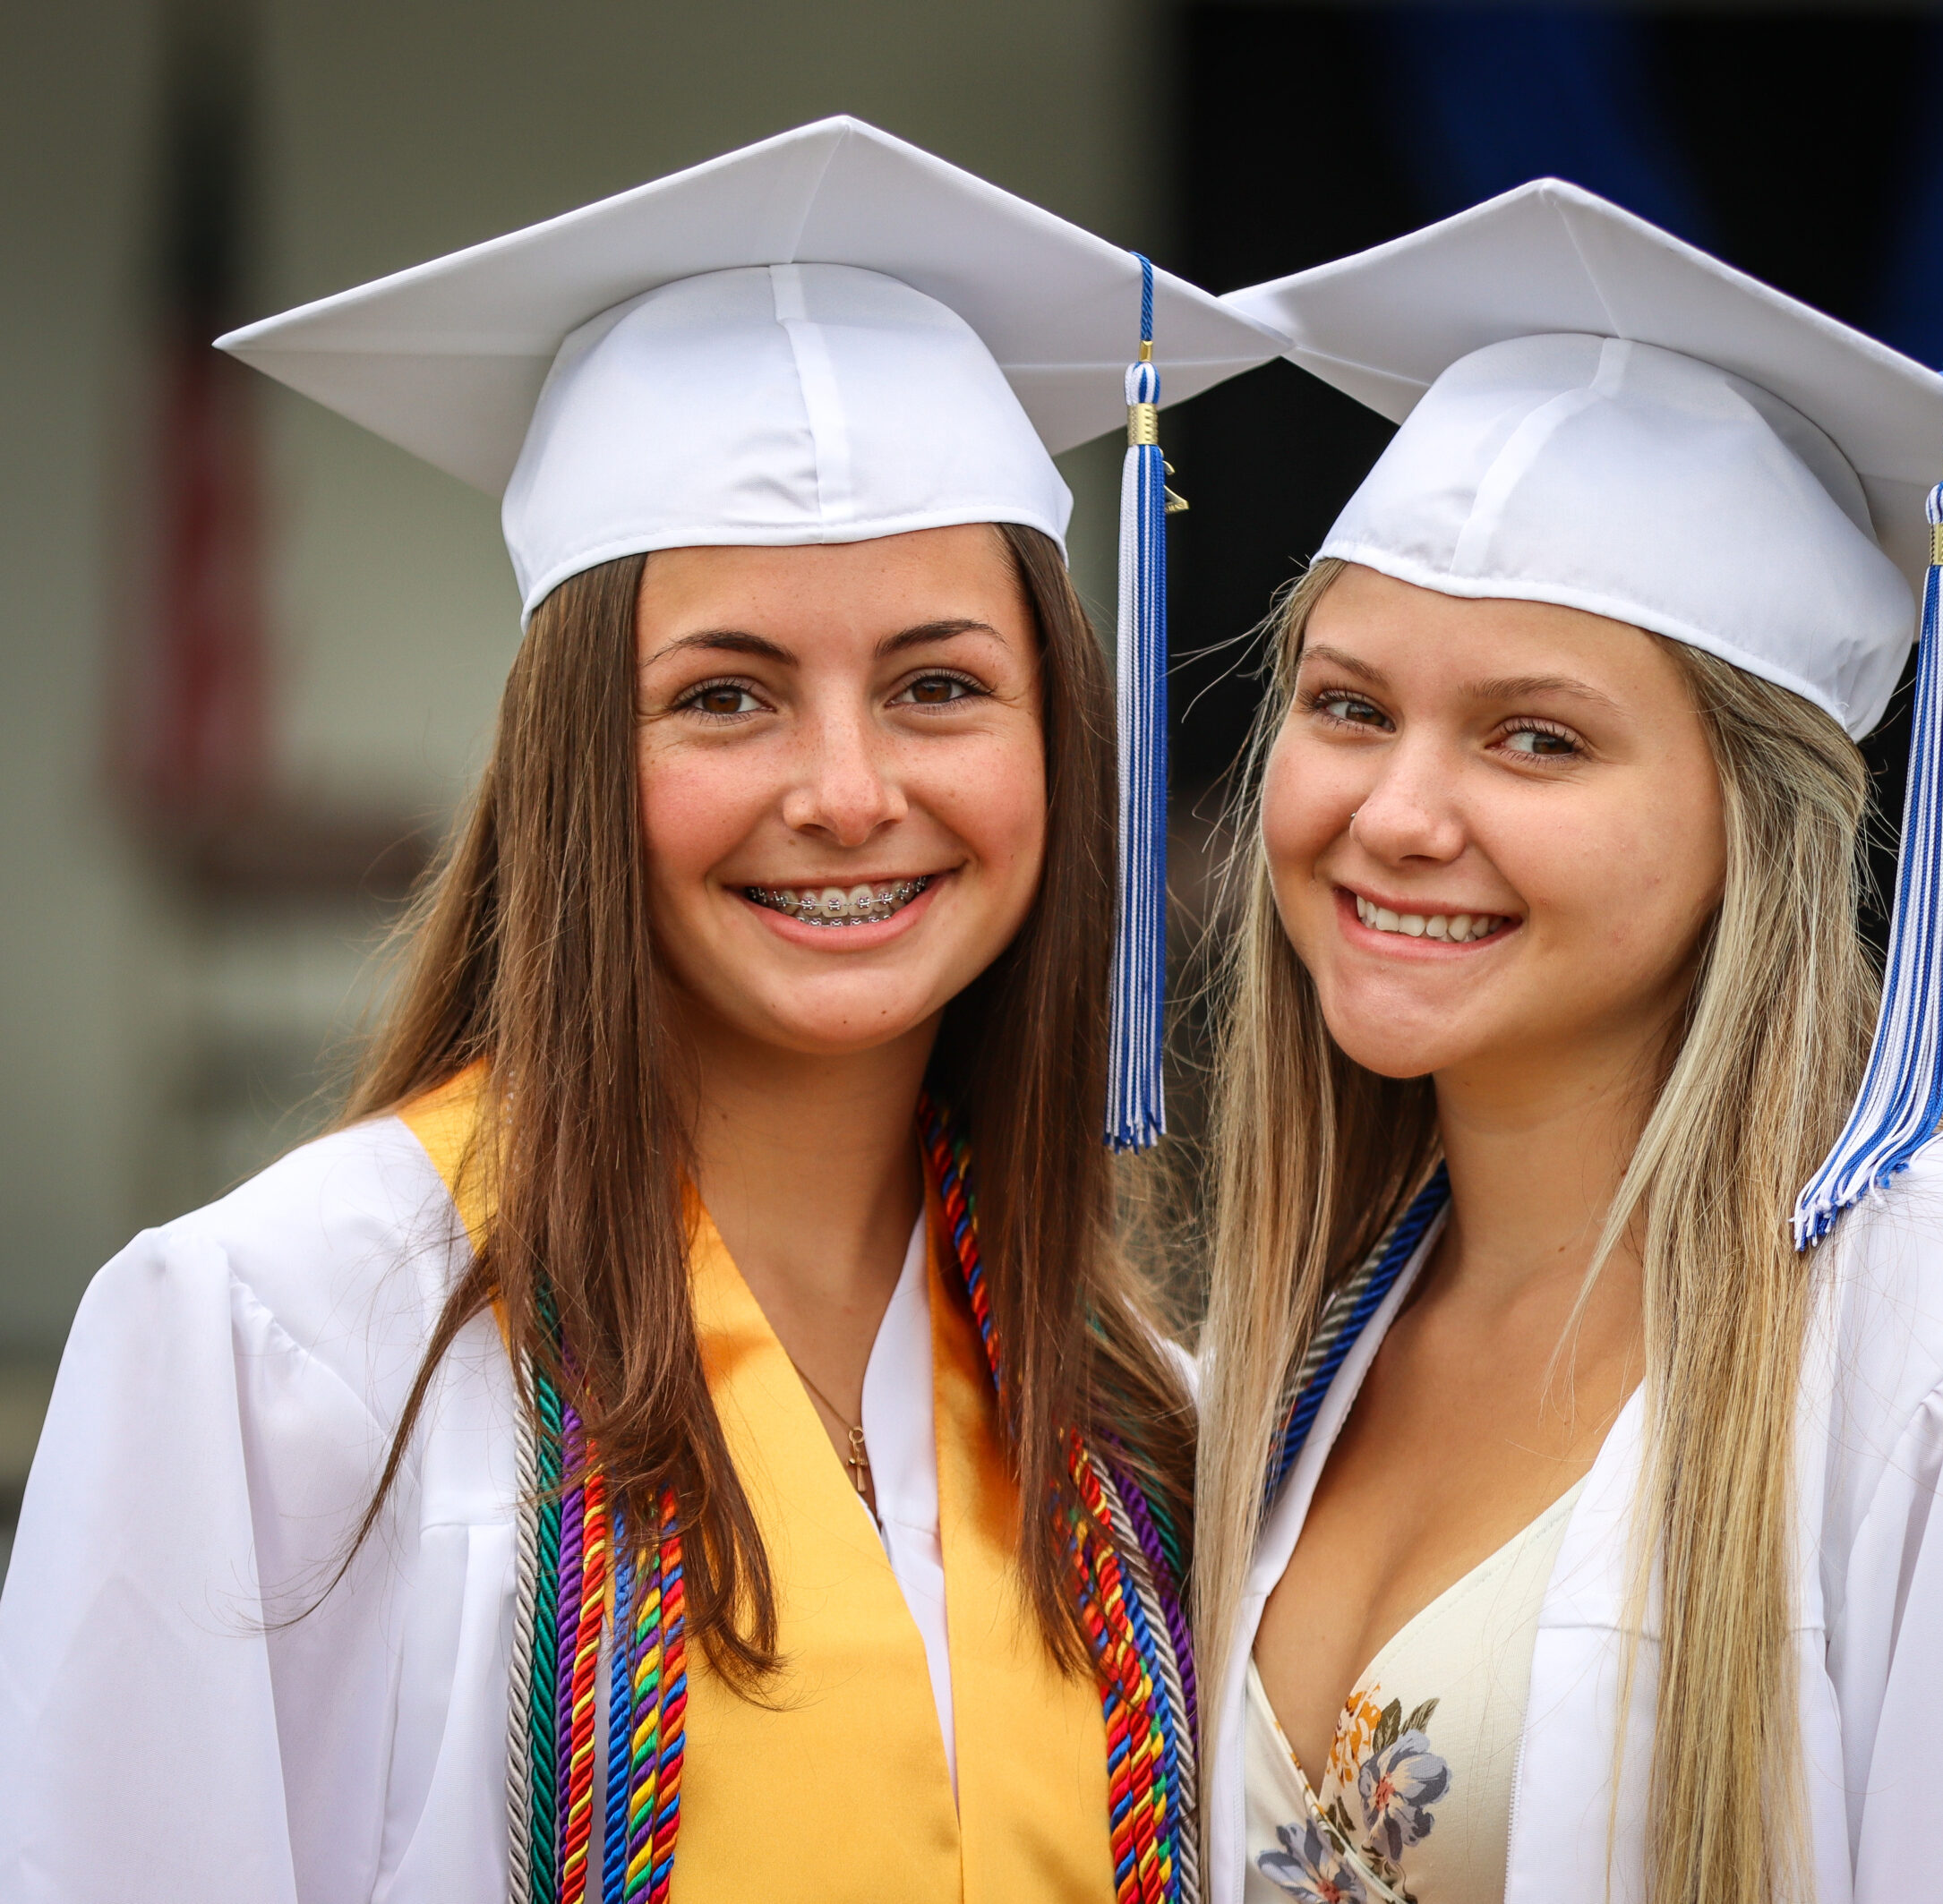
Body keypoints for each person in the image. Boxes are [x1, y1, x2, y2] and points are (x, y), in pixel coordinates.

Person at [0, 117, 1279, 1902]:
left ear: (1058, 737)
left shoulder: (1147, 1420)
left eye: (935, 683)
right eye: (727, 696)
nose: (844, 790)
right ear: (575, 760)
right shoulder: (284, 1346)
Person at [1193, 180, 1943, 1904]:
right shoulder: (1281, 1339)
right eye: (1349, 708)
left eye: (1536, 740)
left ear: (1757, 822)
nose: (1398, 813)